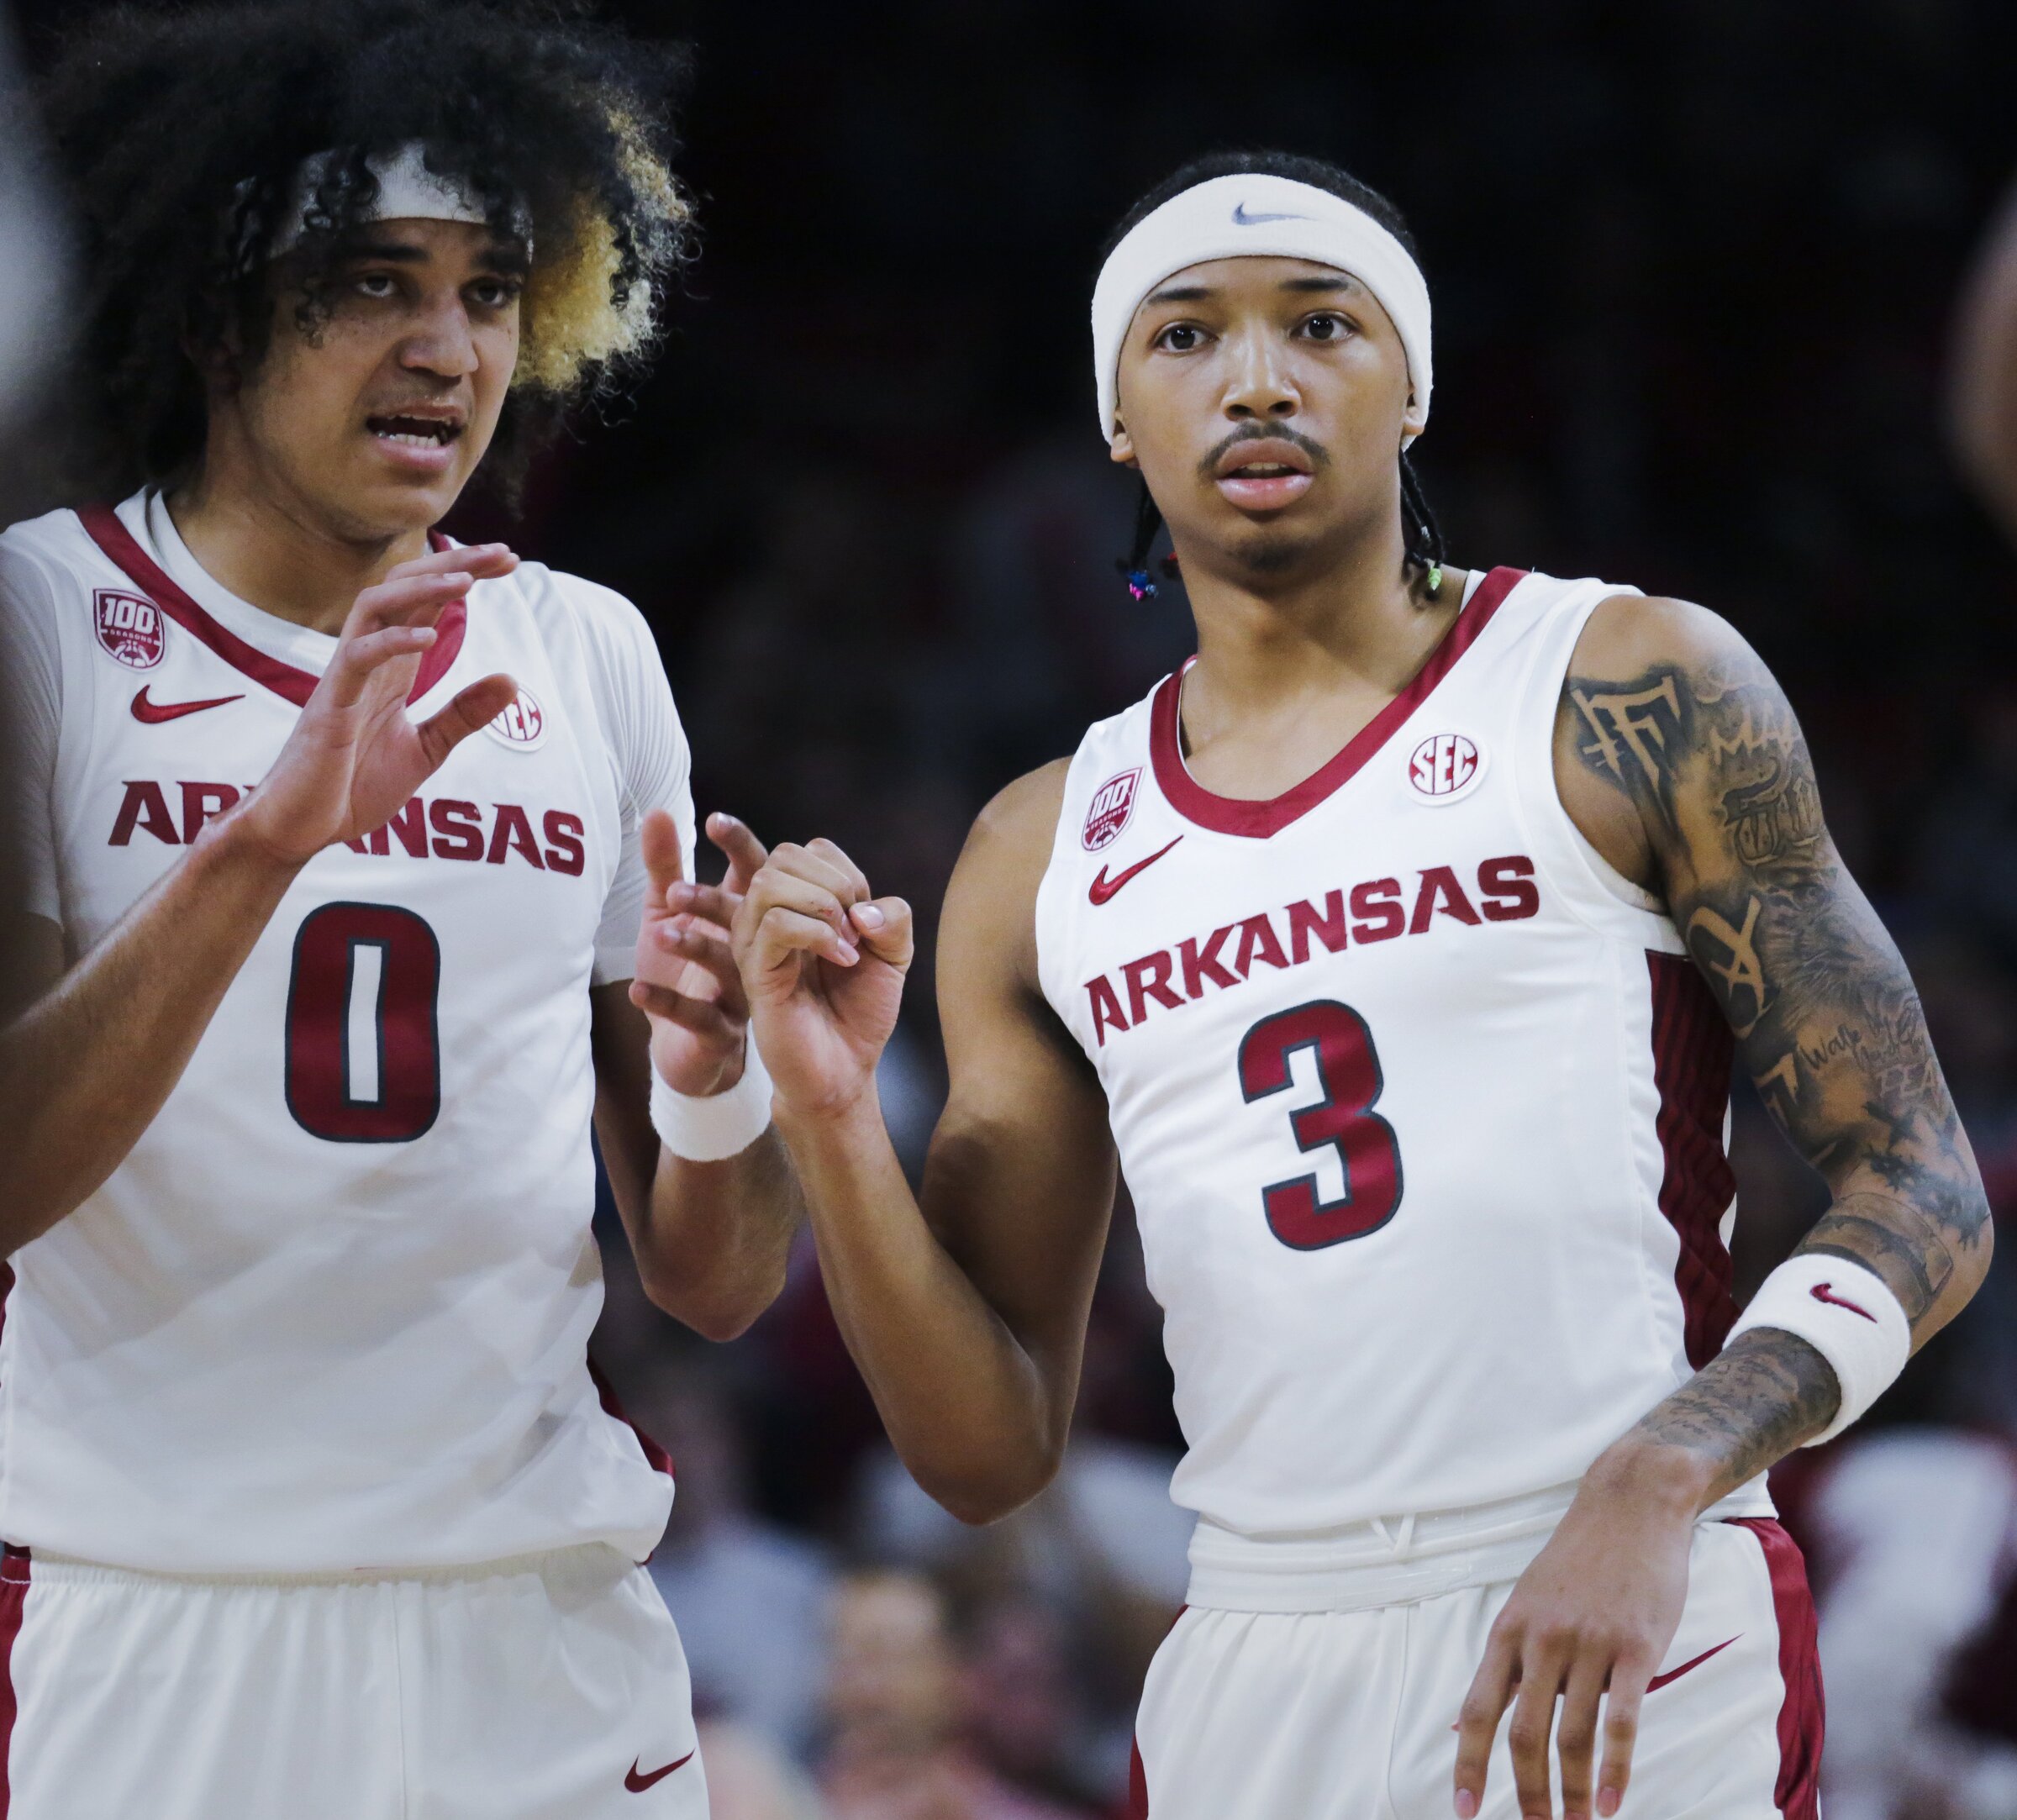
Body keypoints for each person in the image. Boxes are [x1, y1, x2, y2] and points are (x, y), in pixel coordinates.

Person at [728, 150, 1993, 1820]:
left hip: (1619, 1587)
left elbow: (1926, 1192)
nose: (1255, 377)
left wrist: (1667, 1470)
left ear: (1411, 386)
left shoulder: (1624, 683)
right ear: (1118, 417)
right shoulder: (1043, 849)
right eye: (1185, 337)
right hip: (1257, 1644)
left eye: (1321, 324)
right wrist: (826, 1117)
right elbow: (986, 1455)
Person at [0, 3, 793, 1814]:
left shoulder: (587, 653)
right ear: (215, 303)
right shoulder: (35, 622)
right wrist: (262, 846)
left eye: (493, 291)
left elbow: (720, 1277)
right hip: (161, 1617)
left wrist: (729, 1072)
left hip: (535, 1618)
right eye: (374, 282)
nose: (449, 349)